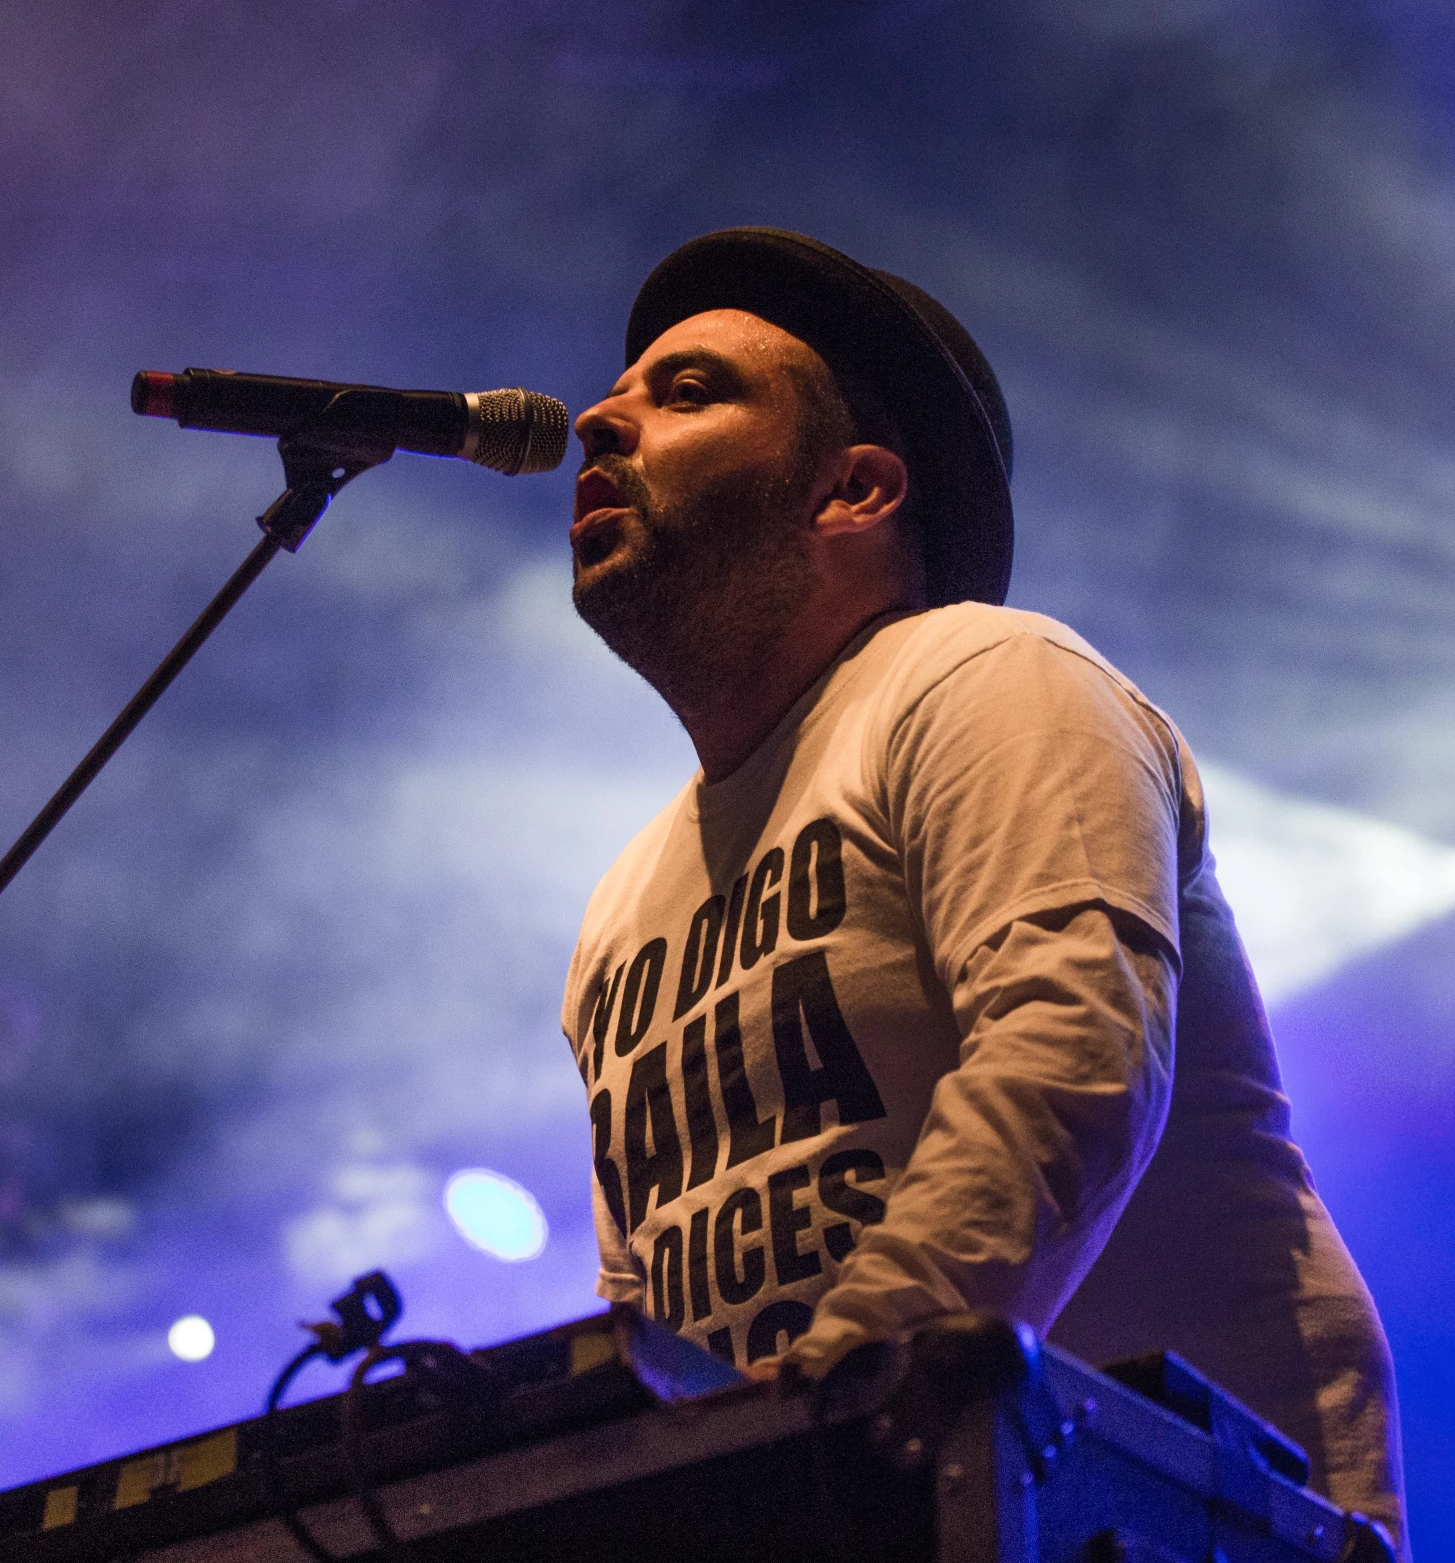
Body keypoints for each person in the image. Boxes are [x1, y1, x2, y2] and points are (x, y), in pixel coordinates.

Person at [560, 227, 1406, 1548]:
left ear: (852, 488)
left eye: (683, 393)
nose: (593, 421)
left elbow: (1069, 1051)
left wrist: (833, 1394)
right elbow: (647, 1300)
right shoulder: (623, 905)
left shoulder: (986, 677)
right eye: (617, 393)